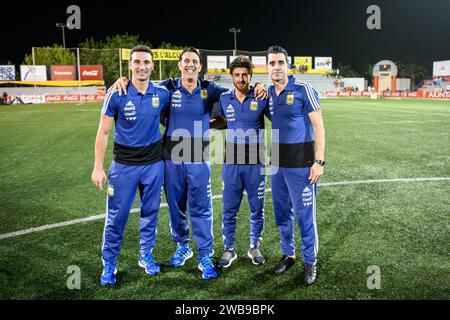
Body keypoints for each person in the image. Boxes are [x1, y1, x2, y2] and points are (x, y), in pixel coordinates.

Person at [111, 47, 268, 280]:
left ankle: (205, 253)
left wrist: (256, 87)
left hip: (198, 155)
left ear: (200, 66)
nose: (190, 65)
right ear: (179, 64)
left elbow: (237, 92)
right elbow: (141, 81)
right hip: (171, 155)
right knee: (176, 206)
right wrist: (123, 79)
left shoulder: (210, 89)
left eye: (194, 61)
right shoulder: (168, 86)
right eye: (186, 61)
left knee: (201, 206)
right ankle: (183, 246)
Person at [91, 45, 170, 286]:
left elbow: (188, 80)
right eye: (137, 62)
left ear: (153, 65)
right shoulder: (117, 93)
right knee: (116, 218)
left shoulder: (163, 92)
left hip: (154, 166)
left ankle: (146, 256)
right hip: (123, 168)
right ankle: (109, 264)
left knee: (150, 214)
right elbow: (103, 132)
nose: (142, 66)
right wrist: (98, 166)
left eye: (146, 62)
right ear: (130, 65)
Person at [266, 45, 325, 285]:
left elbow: (319, 126)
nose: (276, 67)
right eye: (272, 63)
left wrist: (319, 161)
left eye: (280, 62)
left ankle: (310, 261)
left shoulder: (303, 89)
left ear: (287, 65)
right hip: (277, 165)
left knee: (304, 217)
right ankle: (288, 254)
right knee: (282, 214)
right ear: (267, 67)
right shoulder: (268, 92)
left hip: (302, 166)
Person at [212, 56, 270, 268]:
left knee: (257, 208)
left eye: (245, 74)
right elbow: (219, 121)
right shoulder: (225, 98)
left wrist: (264, 87)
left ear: (251, 75)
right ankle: (229, 249)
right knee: (229, 210)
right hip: (232, 164)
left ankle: (254, 246)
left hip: (257, 163)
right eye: (237, 75)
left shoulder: (261, 96)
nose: (241, 79)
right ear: (231, 76)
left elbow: (280, 116)